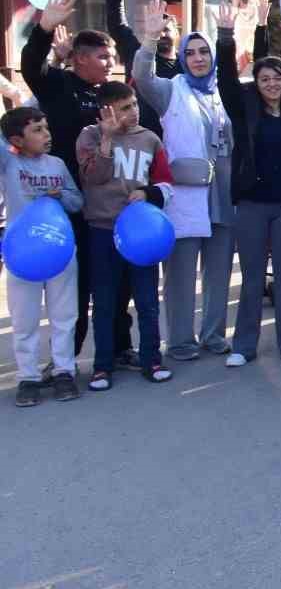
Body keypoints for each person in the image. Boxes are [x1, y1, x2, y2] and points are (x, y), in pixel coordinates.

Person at [20, 0, 138, 361]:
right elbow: (30, 65)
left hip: (109, 202)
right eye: (103, 56)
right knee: (75, 286)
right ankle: (66, 361)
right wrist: (43, 29)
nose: (110, 62)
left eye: (112, 56)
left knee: (117, 282)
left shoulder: (112, 93)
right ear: (80, 58)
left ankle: (119, 348)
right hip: (68, 205)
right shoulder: (57, 84)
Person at [131, 0, 235, 363]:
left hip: (223, 194)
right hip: (185, 193)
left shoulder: (227, 91)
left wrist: (229, 35)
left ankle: (214, 335)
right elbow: (142, 78)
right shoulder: (171, 89)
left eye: (204, 51)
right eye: (190, 52)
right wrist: (148, 39)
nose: (198, 58)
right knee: (179, 275)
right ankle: (179, 341)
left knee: (219, 271)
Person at [216, 0, 281, 367]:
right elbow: (226, 79)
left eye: (278, 78)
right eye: (265, 79)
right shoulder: (245, 113)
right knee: (254, 278)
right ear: (256, 84)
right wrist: (226, 36)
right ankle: (244, 345)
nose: (272, 83)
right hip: (253, 204)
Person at [76, 82, 174, 389]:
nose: (133, 112)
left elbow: (166, 184)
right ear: (106, 111)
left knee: (147, 301)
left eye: (134, 105)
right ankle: (102, 365)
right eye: (124, 108)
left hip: (141, 233)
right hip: (103, 231)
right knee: (104, 302)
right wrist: (107, 138)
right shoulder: (90, 136)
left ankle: (152, 359)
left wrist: (148, 193)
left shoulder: (150, 139)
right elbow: (93, 177)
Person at [2, 106, 85, 405]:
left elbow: (77, 201)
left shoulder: (57, 164)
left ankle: (64, 371)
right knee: (25, 318)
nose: (46, 134)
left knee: (64, 315)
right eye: (36, 130)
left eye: (46, 127)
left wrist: (59, 195)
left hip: (59, 249)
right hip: (22, 253)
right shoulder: (9, 163)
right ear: (16, 140)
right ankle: (28, 377)